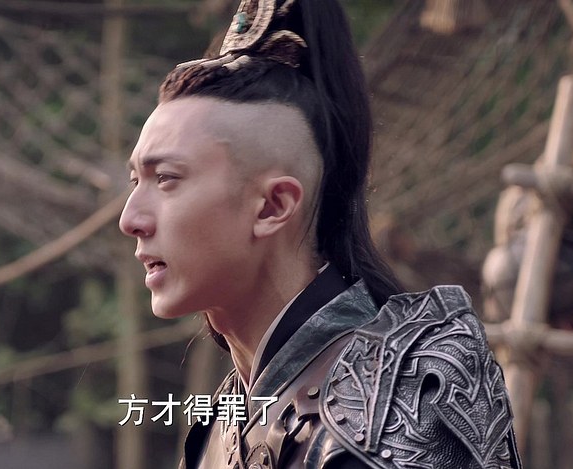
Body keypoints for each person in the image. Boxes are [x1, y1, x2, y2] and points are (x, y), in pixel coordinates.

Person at [118, 0, 521, 467]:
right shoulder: (225, 424)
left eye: (166, 178)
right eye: (135, 181)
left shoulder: (400, 404)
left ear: (273, 206)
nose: (130, 219)